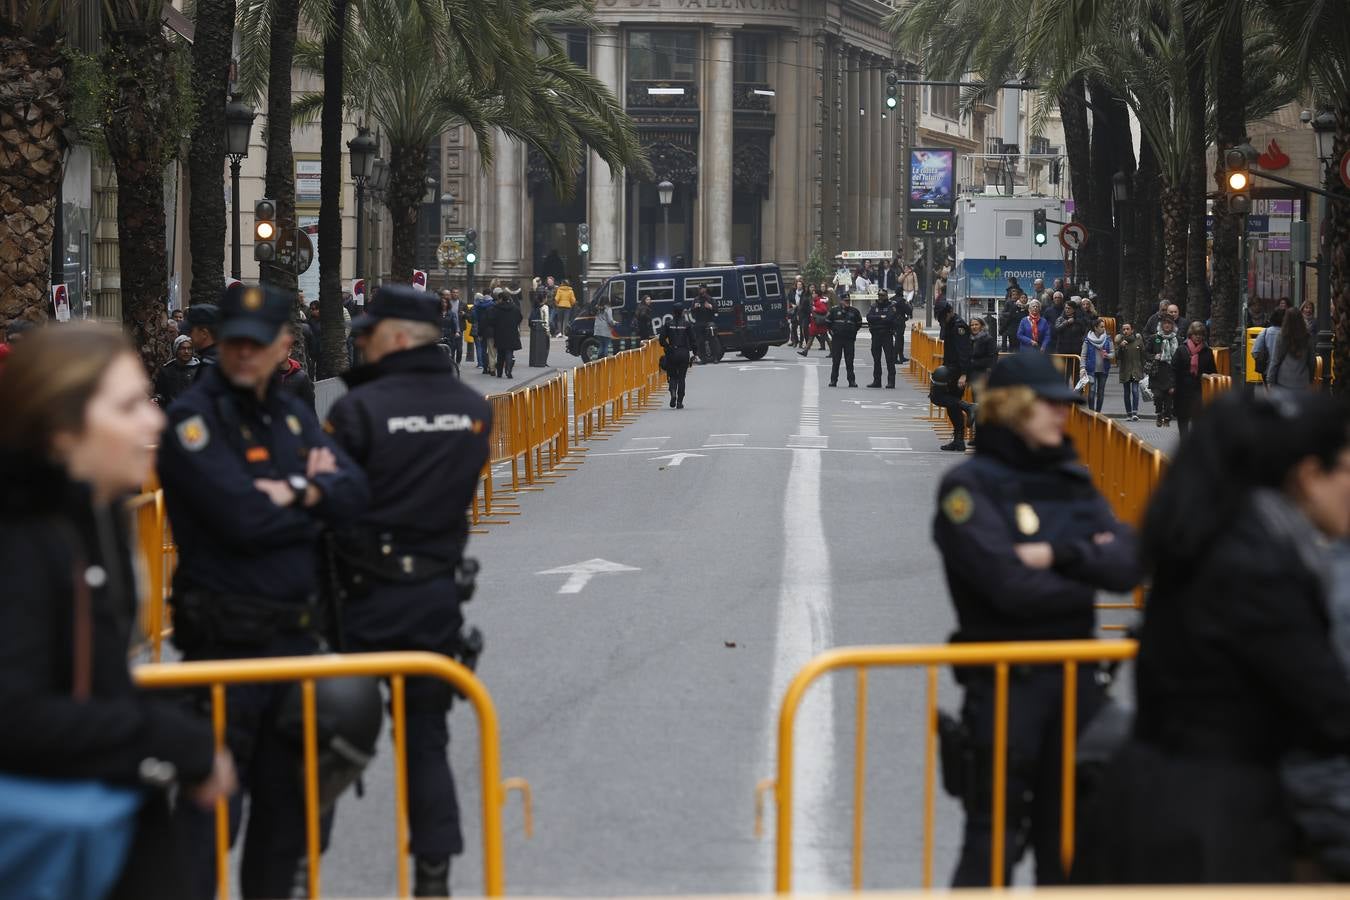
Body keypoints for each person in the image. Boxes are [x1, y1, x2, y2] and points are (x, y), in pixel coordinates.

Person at [0, 326, 236, 900]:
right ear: (61, 429)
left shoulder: (94, 513)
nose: (154, 423)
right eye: (129, 407)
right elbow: (17, 712)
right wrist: (182, 744)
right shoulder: (23, 539)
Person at [1078, 391, 1350, 885]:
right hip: (1211, 828)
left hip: (1160, 805)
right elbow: (1325, 702)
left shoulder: (1214, 537)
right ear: (1308, 476)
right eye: (1347, 471)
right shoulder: (1256, 563)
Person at [156, 284, 369, 899]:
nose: (244, 354)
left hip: (297, 644)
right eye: (234, 342)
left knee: (288, 830)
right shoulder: (193, 422)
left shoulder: (292, 416)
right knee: (206, 828)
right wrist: (310, 490)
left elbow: (354, 493)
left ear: (284, 345)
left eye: (258, 343)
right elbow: (240, 519)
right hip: (224, 652)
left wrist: (293, 493)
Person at [932, 351, 1139, 888]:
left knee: (1073, 848)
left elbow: (1128, 562)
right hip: (1006, 686)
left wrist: (1055, 555)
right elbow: (1008, 587)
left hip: (1077, 687)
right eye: (1049, 405)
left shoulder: (1070, 478)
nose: (1063, 415)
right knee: (991, 846)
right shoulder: (968, 488)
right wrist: (1083, 556)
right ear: (1012, 407)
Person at [326, 285, 492, 897]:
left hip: (359, 599)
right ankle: (434, 876)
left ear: (396, 338)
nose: (359, 341)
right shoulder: (475, 409)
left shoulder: (358, 410)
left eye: (368, 333)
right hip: (434, 596)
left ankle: (299, 870)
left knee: (327, 738)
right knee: (427, 743)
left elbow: (336, 503)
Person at [936, 299, 974, 451]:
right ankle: (958, 440)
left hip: (958, 371)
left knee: (938, 396)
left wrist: (964, 374)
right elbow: (943, 338)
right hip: (950, 368)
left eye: (943, 316)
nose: (941, 319)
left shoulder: (959, 327)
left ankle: (968, 407)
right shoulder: (949, 324)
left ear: (950, 312)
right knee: (952, 405)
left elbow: (964, 352)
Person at [1171, 321, 1216, 436]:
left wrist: (1207, 376)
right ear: (1190, 335)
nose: (1198, 337)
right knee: (1183, 421)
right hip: (1183, 391)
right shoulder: (1181, 350)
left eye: (1200, 335)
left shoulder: (1207, 351)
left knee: (1198, 421)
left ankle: (1195, 446)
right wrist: (1172, 387)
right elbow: (1174, 370)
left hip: (1199, 391)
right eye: (1196, 334)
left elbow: (1213, 371)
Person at [1267, 306, 1317, 393]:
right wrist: (1310, 379)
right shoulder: (1307, 337)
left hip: (1283, 380)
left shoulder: (1282, 336)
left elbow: (1276, 360)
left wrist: (1270, 380)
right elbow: (1312, 361)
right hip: (1302, 381)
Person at [659, 301, 696, 409]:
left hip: (672, 353)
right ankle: (679, 402)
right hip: (684, 352)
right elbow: (693, 340)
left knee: (673, 376)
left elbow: (661, 340)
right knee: (681, 378)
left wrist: (668, 346)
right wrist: (695, 352)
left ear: (673, 312)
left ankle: (673, 393)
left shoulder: (668, 324)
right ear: (682, 312)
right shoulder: (687, 324)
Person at [1148, 316, 1180, 427]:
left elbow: (1180, 357)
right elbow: (1146, 354)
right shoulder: (1154, 338)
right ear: (1161, 325)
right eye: (1165, 323)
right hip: (1157, 373)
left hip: (1171, 374)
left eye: (1169, 323)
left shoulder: (1177, 339)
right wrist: (1153, 356)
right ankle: (1158, 414)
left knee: (1168, 399)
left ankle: (1167, 416)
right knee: (1157, 396)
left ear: (1173, 325)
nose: (1167, 325)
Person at [826, 291, 863, 388]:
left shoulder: (854, 311)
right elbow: (828, 322)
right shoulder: (834, 310)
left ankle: (851, 381)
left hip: (849, 339)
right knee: (836, 361)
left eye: (848, 300)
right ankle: (833, 380)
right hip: (837, 339)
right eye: (845, 301)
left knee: (849, 361)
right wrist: (832, 332)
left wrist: (853, 331)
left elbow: (859, 323)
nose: (847, 302)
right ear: (841, 301)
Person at [155, 334, 200, 407]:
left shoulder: (199, 369)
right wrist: (157, 399)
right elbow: (160, 393)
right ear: (176, 350)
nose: (186, 352)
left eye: (189, 348)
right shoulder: (167, 370)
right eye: (183, 348)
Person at [866, 291, 900, 388]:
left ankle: (891, 381)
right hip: (876, 335)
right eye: (879, 295)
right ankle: (877, 381)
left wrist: (877, 319)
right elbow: (869, 317)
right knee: (876, 359)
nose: (880, 297)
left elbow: (890, 319)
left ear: (886, 296)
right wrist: (881, 317)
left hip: (887, 334)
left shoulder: (891, 306)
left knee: (889, 359)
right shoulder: (874, 306)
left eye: (882, 296)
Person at [1080, 317, 1114, 413]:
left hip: (1103, 370)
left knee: (1100, 392)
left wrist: (1107, 355)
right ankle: (1091, 412)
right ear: (1095, 328)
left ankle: (1098, 413)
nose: (1104, 329)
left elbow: (1112, 354)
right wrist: (1082, 368)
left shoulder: (1108, 339)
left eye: (1104, 327)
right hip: (1091, 370)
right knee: (1091, 392)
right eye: (1102, 327)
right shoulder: (1087, 340)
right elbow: (1083, 355)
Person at [1114, 322, 1146, 422]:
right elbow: (1117, 357)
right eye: (1124, 329)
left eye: (1127, 329)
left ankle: (1135, 413)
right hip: (1125, 371)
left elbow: (1143, 356)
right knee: (1126, 392)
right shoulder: (1120, 342)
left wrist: (1143, 369)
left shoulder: (1138, 341)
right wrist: (1121, 347)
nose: (1125, 331)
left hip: (1136, 370)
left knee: (1135, 391)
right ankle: (1128, 413)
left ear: (1132, 330)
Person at [492, 287, 523, 378]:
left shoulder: (496, 308)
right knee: (509, 352)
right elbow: (519, 318)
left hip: (500, 333)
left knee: (500, 353)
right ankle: (508, 371)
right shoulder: (515, 308)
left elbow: (492, 319)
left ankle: (499, 372)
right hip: (511, 332)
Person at [1252, 307, 1285, 384]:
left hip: (1267, 371)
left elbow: (1255, 352)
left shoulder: (1265, 332)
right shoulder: (1289, 333)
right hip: (1286, 373)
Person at [185, 303, 220, 367]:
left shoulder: (211, 365)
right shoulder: (213, 359)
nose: (189, 336)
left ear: (204, 333)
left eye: (190, 331)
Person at [690, 288, 719, 363]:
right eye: (699, 289)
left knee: (713, 340)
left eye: (701, 288)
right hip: (699, 322)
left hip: (709, 322)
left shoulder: (710, 299)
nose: (700, 290)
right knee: (700, 341)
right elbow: (692, 312)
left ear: (705, 289)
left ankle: (715, 358)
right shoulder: (695, 300)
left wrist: (710, 306)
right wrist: (694, 307)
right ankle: (703, 359)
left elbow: (716, 310)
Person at [968, 318, 997, 390]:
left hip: (982, 372)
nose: (974, 327)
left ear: (982, 326)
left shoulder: (988, 339)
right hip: (971, 371)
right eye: (972, 325)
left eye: (976, 324)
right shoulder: (969, 339)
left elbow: (993, 356)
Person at [800, 289, 831, 356]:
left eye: (814, 293)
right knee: (812, 337)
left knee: (825, 337)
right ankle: (805, 351)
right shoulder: (815, 301)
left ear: (817, 294)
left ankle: (833, 351)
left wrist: (816, 309)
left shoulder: (819, 301)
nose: (812, 295)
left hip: (819, 322)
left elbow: (824, 310)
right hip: (816, 322)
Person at [528, 292, 551, 367]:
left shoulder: (535, 306)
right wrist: (547, 331)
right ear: (544, 299)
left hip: (535, 328)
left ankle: (536, 359)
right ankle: (543, 361)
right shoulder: (545, 307)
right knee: (546, 346)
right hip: (543, 329)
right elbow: (546, 319)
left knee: (536, 345)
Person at [787, 277, 809, 346]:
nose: (799, 286)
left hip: (802, 311)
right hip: (795, 310)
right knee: (793, 326)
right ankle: (795, 340)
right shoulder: (793, 291)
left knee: (802, 327)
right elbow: (789, 300)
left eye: (800, 284)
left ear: (802, 285)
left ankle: (801, 342)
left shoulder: (805, 293)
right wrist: (792, 305)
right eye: (798, 284)